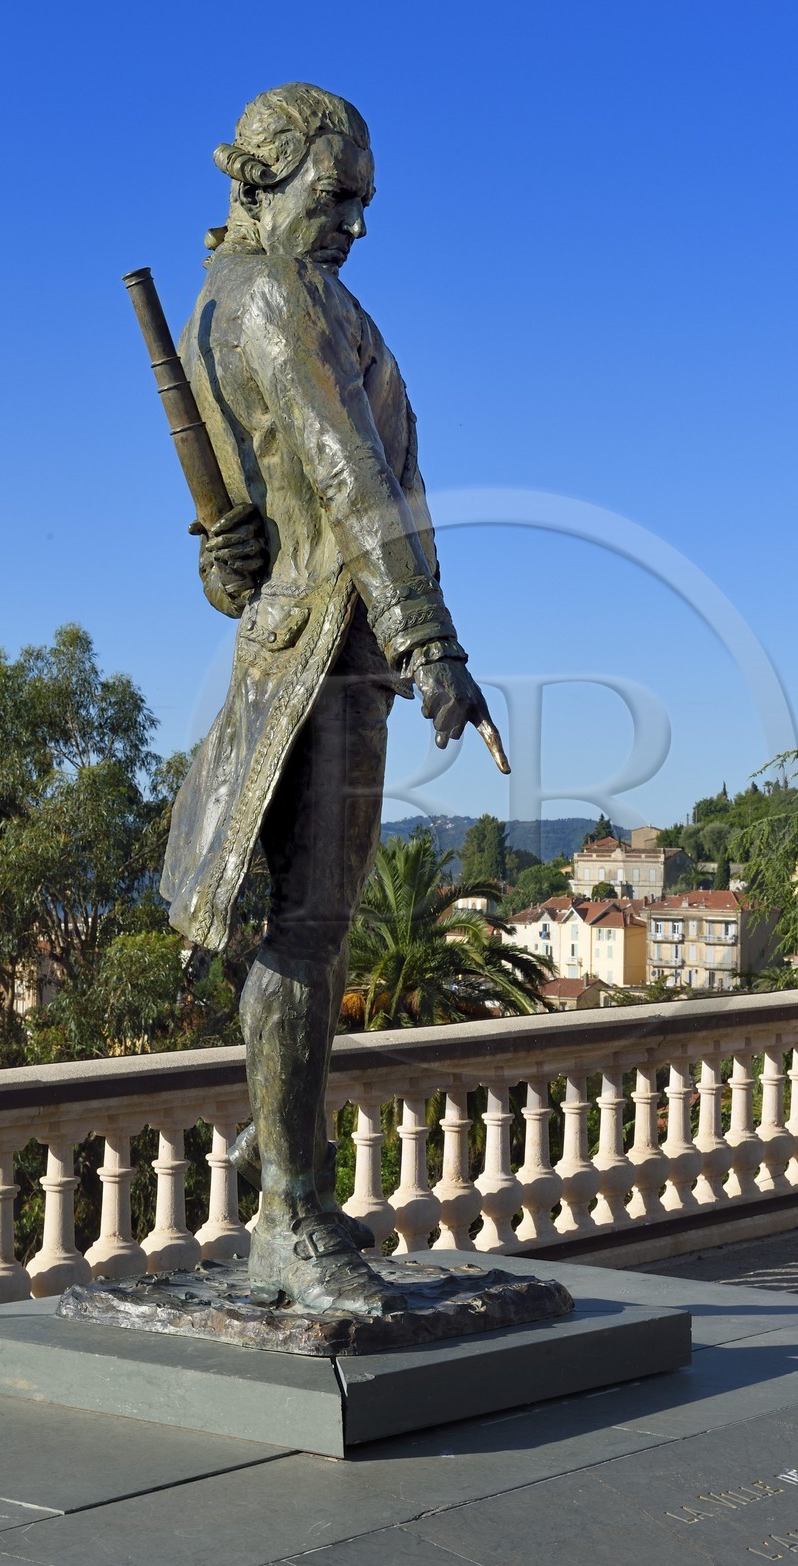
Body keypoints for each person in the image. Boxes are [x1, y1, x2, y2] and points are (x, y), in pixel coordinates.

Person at [160, 83, 506, 1316]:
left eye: (363, 200)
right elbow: (345, 470)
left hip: (325, 634)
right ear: (261, 177)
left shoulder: (246, 299)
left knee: (318, 928)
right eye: (335, 194)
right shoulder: (270, 294)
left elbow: (252, 518)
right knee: (308, 933)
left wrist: (223, 557)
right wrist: (429, 637)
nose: (355, 220)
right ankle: (288, 1212)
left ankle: (287, 1177)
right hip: (329, 644)